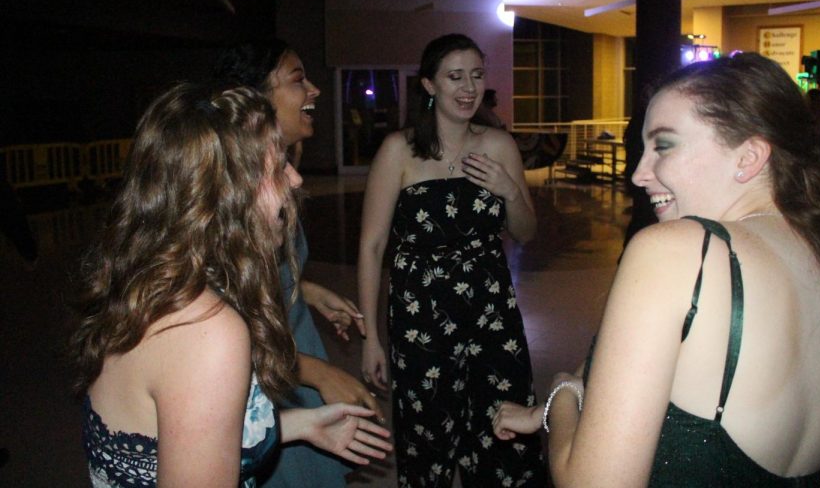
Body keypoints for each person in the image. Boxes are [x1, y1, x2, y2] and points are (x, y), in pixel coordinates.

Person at [493, 53, 820, 486]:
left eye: (663, 145)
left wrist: (561, 394)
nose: (639, 173)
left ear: (749, 156)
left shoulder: (681, 252)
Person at [71, 84, 391, 487]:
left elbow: (174, 436)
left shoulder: (155, 282)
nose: (294, 180)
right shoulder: (208, 331)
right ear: (224, 196)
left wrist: (295, 426)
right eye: (277, 168)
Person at [358, 33, 545, 487]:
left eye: (477, 75)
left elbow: (525, 232)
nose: (468, 88)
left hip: (491, 312)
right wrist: (371, 337)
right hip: (420, 315)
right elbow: (372, 247)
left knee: (503, 431)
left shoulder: (500, 145)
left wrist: (508, 189)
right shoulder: (398, 150)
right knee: (428, 438)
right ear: (428, 85)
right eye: (454, 76)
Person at [214, 40, 383, 488]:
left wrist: (305, 290)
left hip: (291, 348)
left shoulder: (280, 170)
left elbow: (262, 272)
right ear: (253, 100)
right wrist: (320, 372)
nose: (314, 90)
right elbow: (222, 313)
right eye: (297, 79)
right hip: (270, 370)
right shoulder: (237, 192)